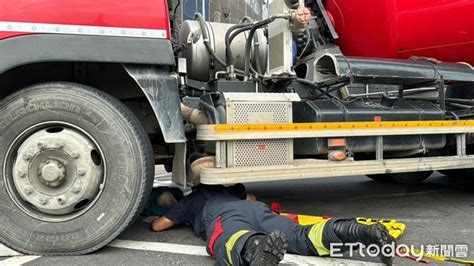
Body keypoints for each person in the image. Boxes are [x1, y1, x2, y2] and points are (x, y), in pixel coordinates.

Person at [151, 184, 395, 266]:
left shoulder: (190, 200)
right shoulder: (228, 188)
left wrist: (165, 215)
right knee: (301, 235)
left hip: (224, 216)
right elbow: (253, 198)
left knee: (228, 239)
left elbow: (160, 226)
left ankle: (258, 247)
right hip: (256, 210)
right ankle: (363, 231)